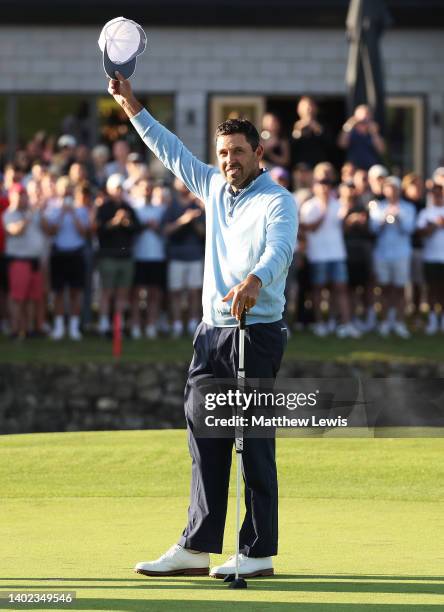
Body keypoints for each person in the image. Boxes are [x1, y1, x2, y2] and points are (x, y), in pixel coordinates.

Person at [108, 72, 296, 578]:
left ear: (259, 151)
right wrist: (131, 107)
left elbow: (279, 250)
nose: (229, 160)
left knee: (252, 440)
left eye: (238, 150)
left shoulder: (277, 200)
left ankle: (257, 552)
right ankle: (197, 546)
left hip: (254, 333)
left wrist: (256, 279)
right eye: (223, 152)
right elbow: (169, 151)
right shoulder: (212, 185)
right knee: (204, 434)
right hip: (211, 333)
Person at [299, 165, 359, 338]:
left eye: (327, 183)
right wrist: (324, 210)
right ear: (314, 186)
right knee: (318, 290)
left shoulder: (339, 204)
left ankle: (345, 324)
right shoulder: (309, 206)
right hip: (317, 255)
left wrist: (351, 220)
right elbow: (309, 229)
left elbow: (343, 228)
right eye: (321, 183)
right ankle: (320, 324)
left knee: (341, 289)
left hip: (337, 254)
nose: (325, 187)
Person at [43, 176, 90, 340]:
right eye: (64, 188)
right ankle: (59, 327)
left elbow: (84, 233)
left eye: (69, 188)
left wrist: (74, 215)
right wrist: (62, 214)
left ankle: (74, 328)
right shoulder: (53, 208)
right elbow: (51, 231)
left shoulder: (81, 209)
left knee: (76, 292)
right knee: (58, 292)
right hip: (59, 253)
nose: (67, 192)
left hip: (76, 253)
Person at [369, 176, 416, 338]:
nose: (391, 191)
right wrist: (383, 219)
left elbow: (409, 230)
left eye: (394, 187)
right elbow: (373, 229)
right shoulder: (378, 207)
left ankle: (400, 322)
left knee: (400, 289)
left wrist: (398, 219)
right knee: (384, 288)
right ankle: (385, 322)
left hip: (401, 253)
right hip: (382, 253)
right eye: (388, 187)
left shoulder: (408, 208)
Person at [94, 173, 140, 335]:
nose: (119, 191)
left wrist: (126, 222)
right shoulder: (103, 208)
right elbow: (99, 231)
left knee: (122, 293)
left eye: (121, 188)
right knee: (107, 292)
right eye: (117, 188)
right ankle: (104, 324)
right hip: (108, 256)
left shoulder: (129, 208)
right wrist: (115, 222)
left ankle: (117, 326)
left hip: (126, 257)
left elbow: (136, 230)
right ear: (110, 189)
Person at [162, 177, 205, 338]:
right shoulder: (171, 206)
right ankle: (177, 325)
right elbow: (166, 230)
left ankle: (194, 324)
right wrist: (183, 221)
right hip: (176, 255)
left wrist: (193, 221)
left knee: (194, 292)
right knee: (175, 293)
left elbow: (204, 233)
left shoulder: (197, 206)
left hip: (194, 255)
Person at [3, 183, 46, 339]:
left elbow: (48, 229)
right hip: (19, 260)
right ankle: (15, 329)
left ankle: (28, 329)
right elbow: (16, 231)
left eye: (24, 195)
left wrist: (39, 213)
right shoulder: (9, 214)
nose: (23, 198)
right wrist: (30, 215)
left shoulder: (33, 212)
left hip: (34, 260)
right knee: (17, 297)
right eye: (19, 195)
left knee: (32, 298)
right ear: (13, 196)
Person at [416, 180, 444, 334]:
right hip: (430, 258)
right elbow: (420, 232)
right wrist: (435, 225)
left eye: (440, 194)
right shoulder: (425, 213)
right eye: (435, 194)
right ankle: (433, 320)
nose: (438, 197)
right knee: (432, 290)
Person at [338, 105, 385, 171]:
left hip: (370, 169)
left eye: (366, 119)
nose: (363, 122)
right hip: (353, 169)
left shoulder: (373, 132)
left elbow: (381, 150)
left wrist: (375, 134)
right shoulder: (350, 132)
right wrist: (348, 126)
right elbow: (342, 144)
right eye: (361, 120)